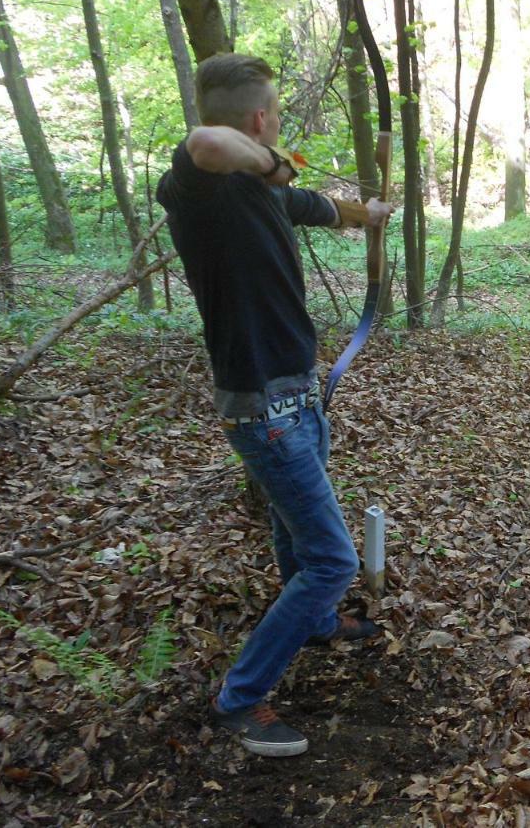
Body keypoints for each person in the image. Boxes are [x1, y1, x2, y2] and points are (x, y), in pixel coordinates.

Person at [157, 53, 392, 757]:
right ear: (260, 121)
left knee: (294, 536)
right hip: (264, 408)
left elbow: (318, 207)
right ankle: (243, 697)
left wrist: (368, 212)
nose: (277, 133)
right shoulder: (199, 186)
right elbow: (207, 143)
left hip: (295, 395)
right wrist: (272, 163)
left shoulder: (261, 193)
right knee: (332, 558)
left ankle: (315, 625)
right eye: (276, 121)